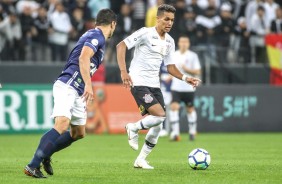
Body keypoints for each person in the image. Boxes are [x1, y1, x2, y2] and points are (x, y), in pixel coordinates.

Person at [24, 8, 117, 178]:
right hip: (68, 84)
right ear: (113, 24)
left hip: (78, 89)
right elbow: (83, 58)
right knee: (62, 124)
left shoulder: (94, 35)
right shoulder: (97, 36)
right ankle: (33, 165)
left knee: (78, 133)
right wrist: (89, 85)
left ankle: (47, 153)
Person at [116, 4, 201, 170]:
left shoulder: (170, 41)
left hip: (155, 85)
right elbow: (121, 46)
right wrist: (123, 72)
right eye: (166, 19)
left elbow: (170, 67)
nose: (169, 23)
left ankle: (140, 160)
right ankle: (132, 127)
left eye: (172, 20)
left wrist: (185, 78)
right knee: (160, 115)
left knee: (158, 124)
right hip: (138, 82)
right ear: (158, 19)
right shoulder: (145, 33)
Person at [169, 35, 201, 141]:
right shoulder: (174, 55)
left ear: (188, 44)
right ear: (178, 43)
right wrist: (169, 77)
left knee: (190, 109)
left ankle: (192, 132)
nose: (183, 44)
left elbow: (198, 71)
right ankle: (175, 133)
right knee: (174, 107)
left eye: (186, 42)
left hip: (188, 88)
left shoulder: (193, 56)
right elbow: (171, 69)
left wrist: (187, 69)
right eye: (181, 42)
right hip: (176, 87)